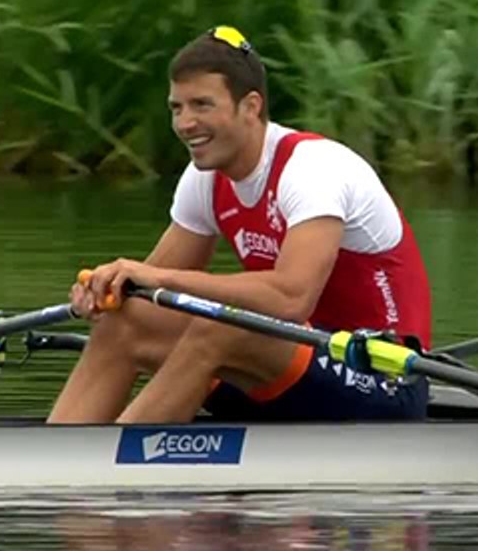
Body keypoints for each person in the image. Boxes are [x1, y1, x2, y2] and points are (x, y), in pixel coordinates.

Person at [48, 25, 432, 425]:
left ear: (250, 107)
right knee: (125, 321)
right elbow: (145, 291)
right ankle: (57, 465)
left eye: (201, 105)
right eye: (176, 108)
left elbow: (290, 298)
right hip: (287, 368)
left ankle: (112, 465)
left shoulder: (313, 168)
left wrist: (156, 277)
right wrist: (106, 293)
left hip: (383, 378)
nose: (185, 123)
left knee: (222, 325)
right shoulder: (205, 179)